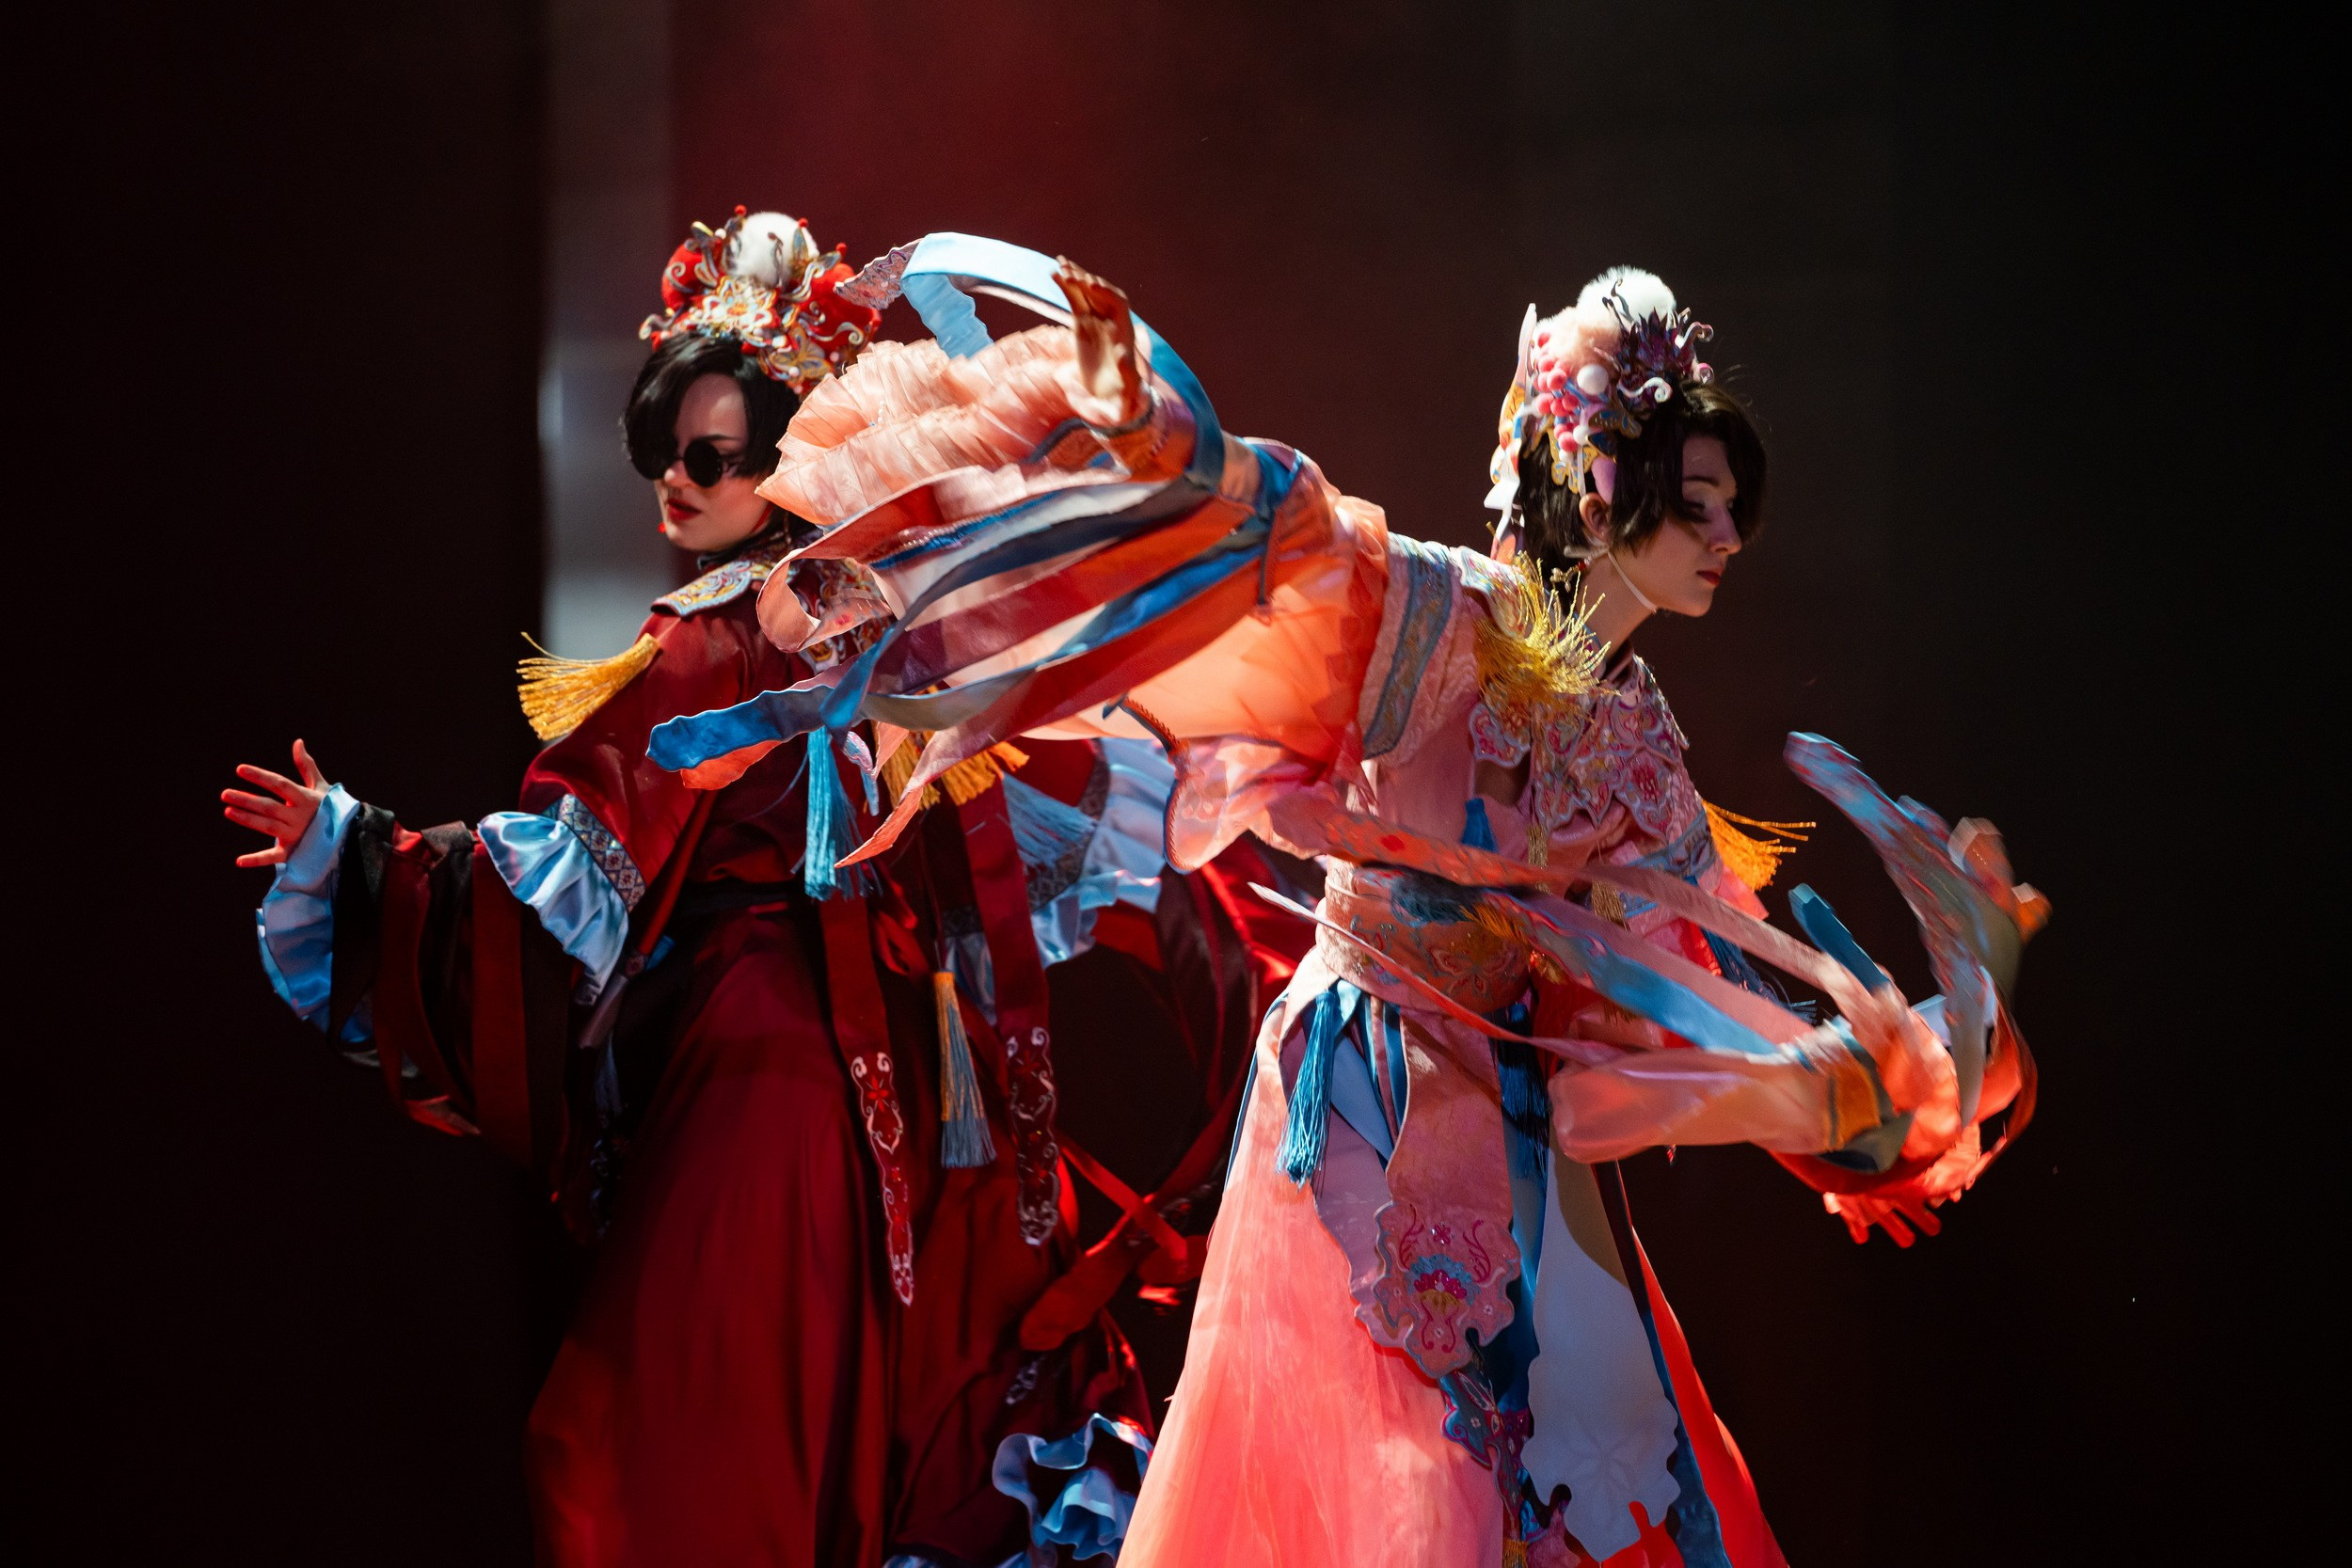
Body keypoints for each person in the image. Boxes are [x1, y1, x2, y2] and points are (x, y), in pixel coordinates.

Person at [646, 233, 2046, 1567]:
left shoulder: (1643, 743)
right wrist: (1145, 461)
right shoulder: (1436, 616)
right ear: (1590, 485)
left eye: (1735, 502)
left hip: (1533, 1130)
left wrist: (1926, 1030)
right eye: (1693, 501)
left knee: (1604, 1464)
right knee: (1410, 1481)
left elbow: (1682, 1011)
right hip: (1372, 1097)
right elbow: (1243, 589)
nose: (1728, 533)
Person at [224, 211, 1282, 1567]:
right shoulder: (718, 635)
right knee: (714, 1431)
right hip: (780, 1082)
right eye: (664, 454)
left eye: (710, 455)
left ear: (791, 450)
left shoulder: (889, 621)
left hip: (912, 1082)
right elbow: (581, 843)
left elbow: (1076, 803)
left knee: (890, 1415)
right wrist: (368, 856)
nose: (676, 481)